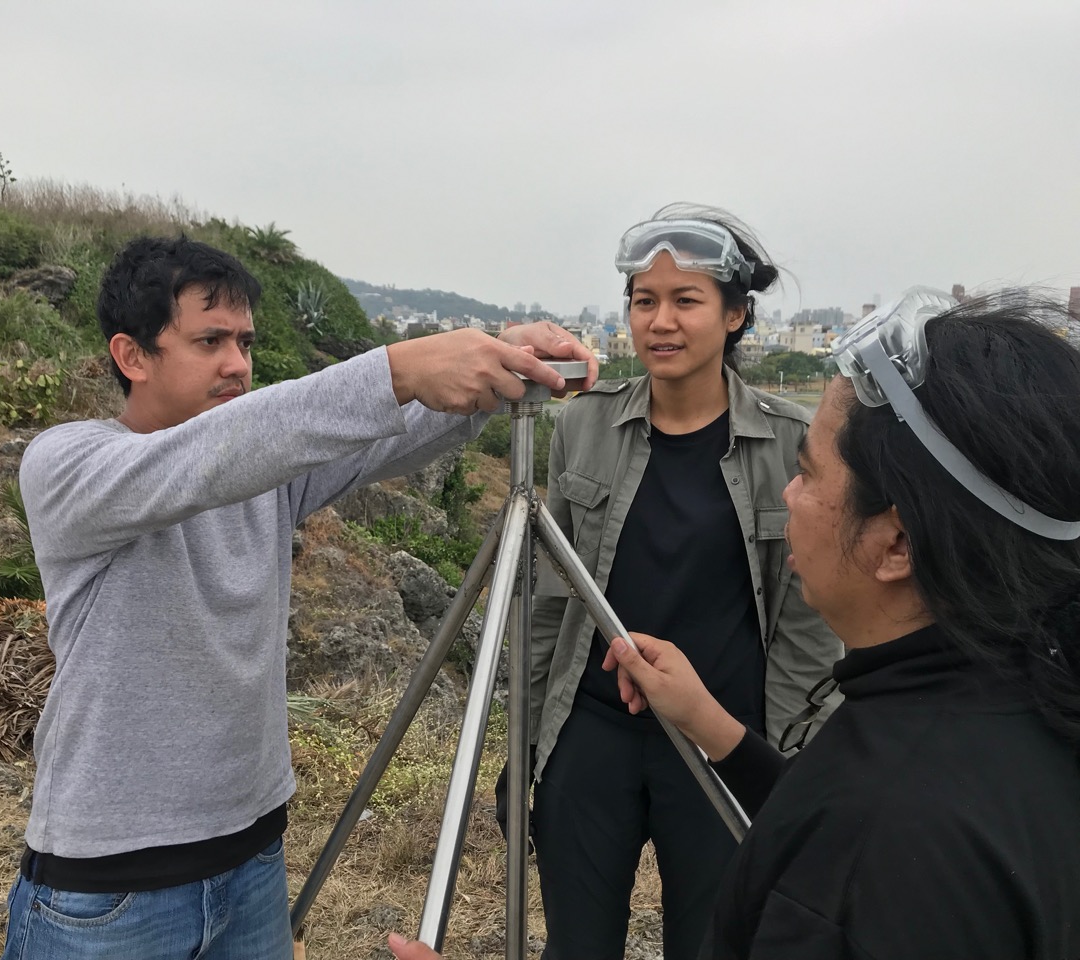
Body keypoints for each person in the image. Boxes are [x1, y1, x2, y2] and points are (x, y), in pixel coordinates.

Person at [387, 289, 1080, 959]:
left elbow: (844, 833)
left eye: (808, 477)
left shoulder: (875, 850)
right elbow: (820, 809)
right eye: (643, 300)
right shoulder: (1010, 722)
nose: (787, 495)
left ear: (897, 543)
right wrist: (715, 730)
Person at [0, 235, 597, 960]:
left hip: (251, 860)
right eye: (210, 340)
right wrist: (400, 365)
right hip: (109, 890)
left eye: (245, 342)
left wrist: (504, 362)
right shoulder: (70, 467)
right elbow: (214, 455)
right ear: (132, 356)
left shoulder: (265, 475)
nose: (238, 364)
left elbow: (377, 435)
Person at [513, 206, 843, 960]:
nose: (660, 322)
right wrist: (527, 752)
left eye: (685, 301)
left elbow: (805, 625)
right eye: (643, 301)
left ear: (734, 316)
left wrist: (778, 765)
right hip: (592, 736)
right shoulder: (584, 426)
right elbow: (549, 602)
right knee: (578, 943)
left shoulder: (790, 444)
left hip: (721, 737)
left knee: (711, 943)